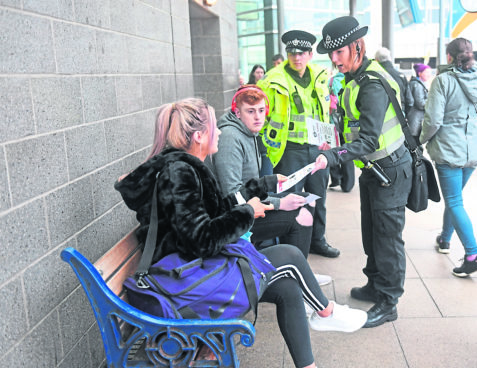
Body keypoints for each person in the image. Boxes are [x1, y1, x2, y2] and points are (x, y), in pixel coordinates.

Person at [114, 98, 367, 368]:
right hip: (184, 282)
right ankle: (326, 313)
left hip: (191, 271)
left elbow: (212, 214)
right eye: (215, 127)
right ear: (199, 136)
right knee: (289, 255)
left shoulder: (183, 167)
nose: (220, 131)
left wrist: (262, 186)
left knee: (288, 289)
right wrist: (247, 211)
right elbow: (201, 239)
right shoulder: (179, 173)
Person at [313, 16, 413, 328]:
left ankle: (388, 300)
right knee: (372, 233)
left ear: (357, 47)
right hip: (374, 169)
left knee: (387, 237)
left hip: (390, 170)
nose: (334, 59)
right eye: (331, 54)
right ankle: (374, 283)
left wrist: (332, 156)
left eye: (339, 52)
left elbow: (369, 138)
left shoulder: (371, 83)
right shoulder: (356, 78)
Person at [212, 85, 332, 285]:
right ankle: (298, 280)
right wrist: (278, 204)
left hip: (250, 206)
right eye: (250, 111)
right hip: (233, 220)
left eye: (261, 110)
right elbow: (231, 197)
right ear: (237, 112)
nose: (258, 117)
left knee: (306, 201)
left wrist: (275, 196)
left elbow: (249, 190)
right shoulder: (230, 138)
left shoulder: (249, 133)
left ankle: (300, 270)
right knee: (300, 213)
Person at [258, 30, 340, 258]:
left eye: (302, 53)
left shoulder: (320, 76)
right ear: (287, 54)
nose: (297, 57)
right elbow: (262, 117)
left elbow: (324, 112)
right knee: (290, 200)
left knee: (319, 197)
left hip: (316, 148)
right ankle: (289, 247)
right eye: (292, 53)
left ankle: (317, 241)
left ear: (310, 54)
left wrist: (328, 141)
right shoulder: (273, 80)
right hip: (288, 150)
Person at [420, 37, 477, 275]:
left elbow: (433, 121)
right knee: (456, 198)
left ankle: (473, 254)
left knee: (454, 201)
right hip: (473, 151)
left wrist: (419, 141)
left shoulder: (442, 81)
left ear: (449, 57)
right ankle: (445, 239)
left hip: (449, 150)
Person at [327, 71, 355, 192]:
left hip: (333, 122)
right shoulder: (354, 81)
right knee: (346, 151)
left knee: (332, 150)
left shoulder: (331, 81)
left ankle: (336, 178)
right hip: (347, 123)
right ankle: (348, 184)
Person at [375, 47, 414, 118]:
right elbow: (410, 101)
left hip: (379, 114)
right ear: (390, 58)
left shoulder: (373, 76)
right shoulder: (400, 76)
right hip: (399, 113)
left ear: (376, 60)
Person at [408, 63, 432, 136]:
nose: (429, 75)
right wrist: (433, 103)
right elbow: (420, 103)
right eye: (427, 72)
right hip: (415, 119)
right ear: (420, 73)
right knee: (415, 141)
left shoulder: (419, 84)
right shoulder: (417, 85)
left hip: (417, 119)